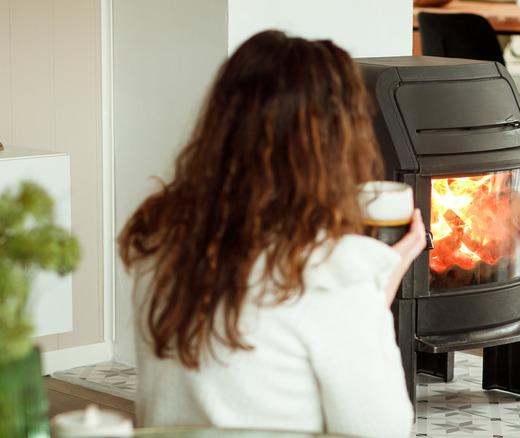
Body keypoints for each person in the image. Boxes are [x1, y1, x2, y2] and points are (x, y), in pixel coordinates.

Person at [118, 30, 425, 437]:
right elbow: (382, 430)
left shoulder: (162, 239)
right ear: (337, 142)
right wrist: (371, 295)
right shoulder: (332, 273)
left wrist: (369, 296)